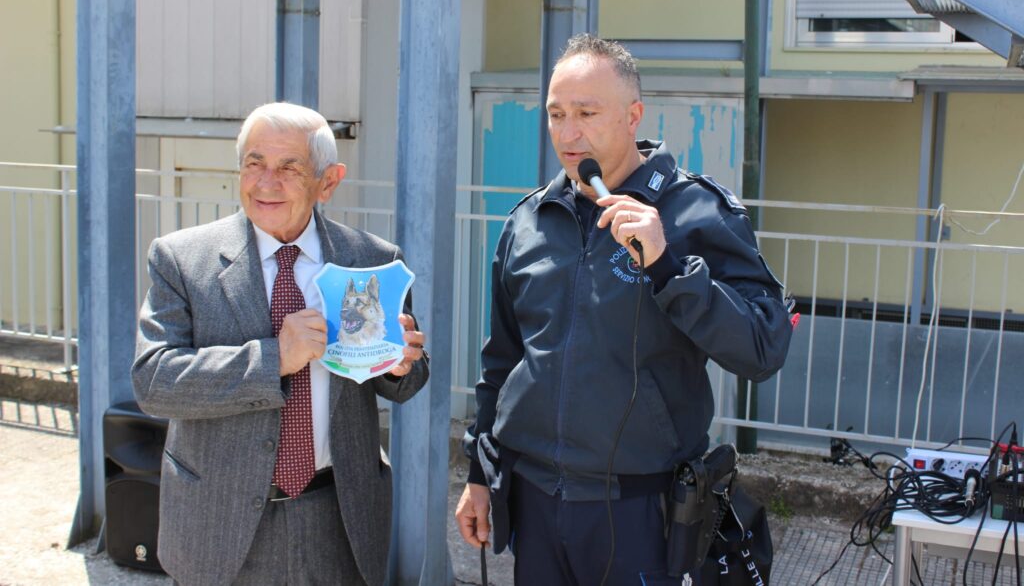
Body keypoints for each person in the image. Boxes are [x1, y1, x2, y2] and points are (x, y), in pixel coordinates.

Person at [455, 34, 793, 584]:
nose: (568, 133)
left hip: (642, 510)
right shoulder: (528, 221)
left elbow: (763, 347)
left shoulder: (696, 213)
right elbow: (502, 364)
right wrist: (478, 473)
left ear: (633, 114)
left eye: (587, 113)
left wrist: (667, 266)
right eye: (556, 114)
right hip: (536, 504)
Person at [133, 102, 429, 586]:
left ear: (328, 181)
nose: (266, 182)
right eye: (254, 163)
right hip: (218, 525)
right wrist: (275, 359)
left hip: (338, 519)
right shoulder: (182, 260)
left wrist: (402, 367)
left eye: (289, 167)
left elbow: (404, 381)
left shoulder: (370, 259)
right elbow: (154, 382)